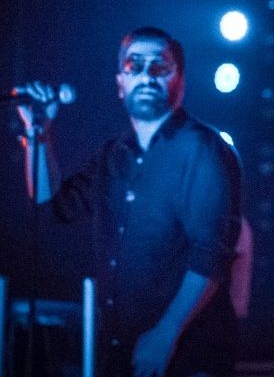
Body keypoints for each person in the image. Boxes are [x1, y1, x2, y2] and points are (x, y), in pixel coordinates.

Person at [16, 26, 243, 377]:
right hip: (123, 351)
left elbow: (211, 253)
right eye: (134, 66)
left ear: (180, 81)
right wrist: (39, 134)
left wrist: (166, 333)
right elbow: (54, 205)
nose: (146, 76)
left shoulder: (204, 150)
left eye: (159, 67)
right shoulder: (114, 155)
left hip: (185, 356)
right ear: (120, 83)